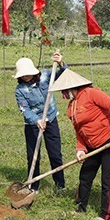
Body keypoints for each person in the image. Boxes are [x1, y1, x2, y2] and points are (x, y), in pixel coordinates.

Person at [54, 69, 110, 220]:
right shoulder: (72, 107)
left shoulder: (91, 93)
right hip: (91, 146)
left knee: (107, 179)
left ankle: (105, 215)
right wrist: (80, 149)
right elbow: (79, 131)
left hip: (109, 139)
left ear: (72, 87)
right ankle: (81, 207)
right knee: (85, 176)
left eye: (64, 91)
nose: (63, 94)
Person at [15, 51, 66, 192]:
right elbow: (24, 109)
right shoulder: (20, 90)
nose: (26, 77)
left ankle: (60, 184)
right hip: (33, 124)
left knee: (55, 153)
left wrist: (61, 63)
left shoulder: (45, 76)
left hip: (50, 118)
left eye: (28, 73)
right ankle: (33, 186)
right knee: (33, 157)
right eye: (23, 75)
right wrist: (36, 120)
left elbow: (63, 75)